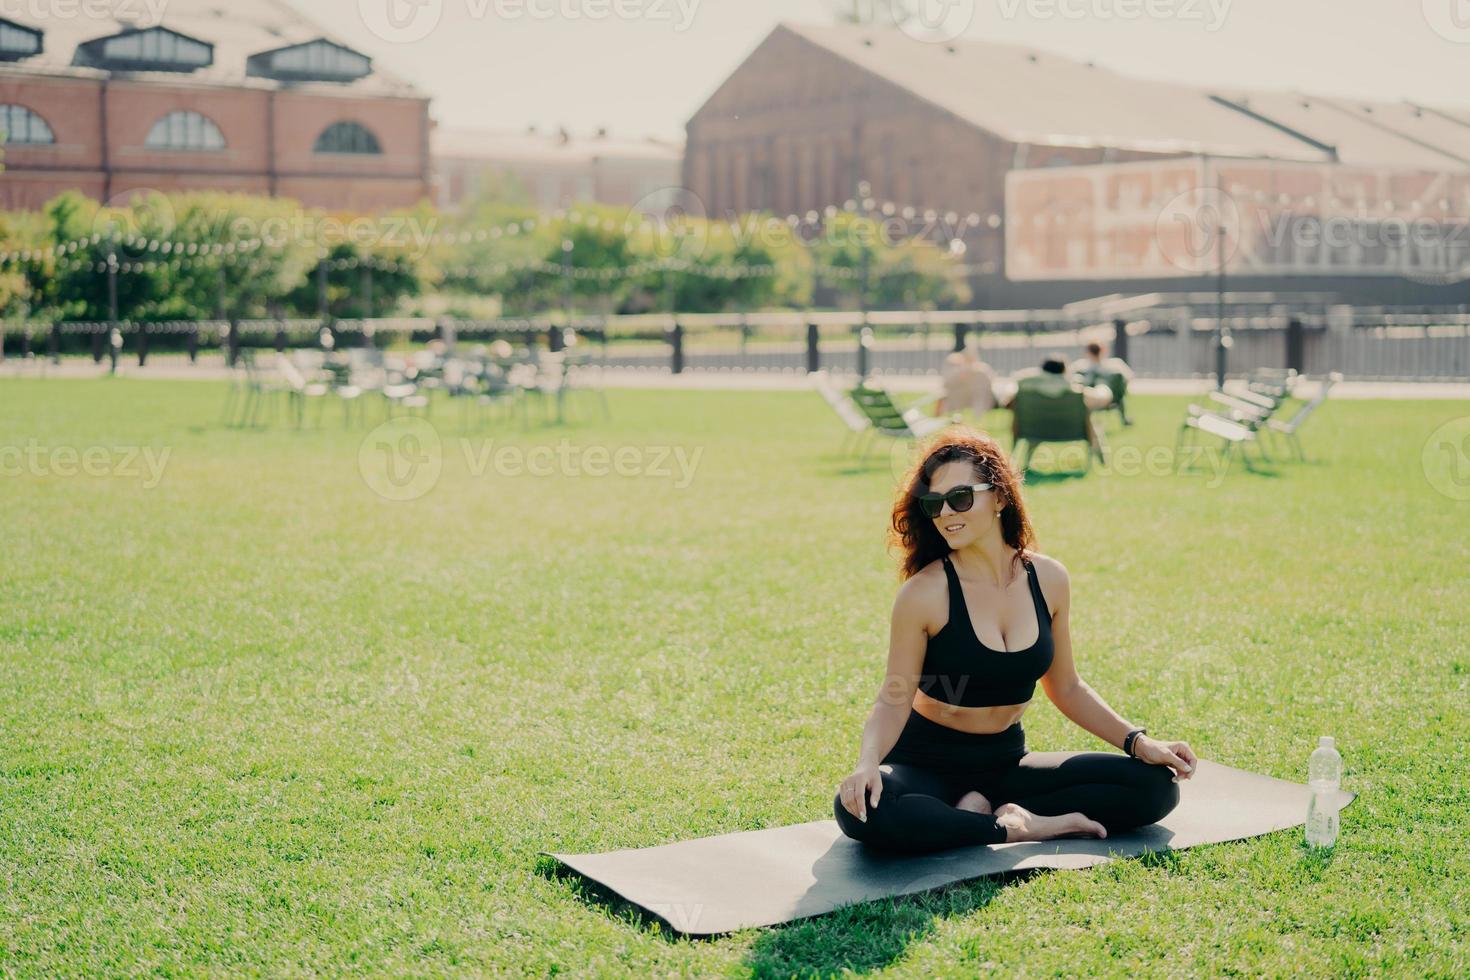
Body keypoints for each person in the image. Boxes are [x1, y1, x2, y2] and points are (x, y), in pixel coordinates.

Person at [833, 429, 1197, 853]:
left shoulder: (1049, 579)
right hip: (928, 765)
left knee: (1154, 787)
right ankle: (1015, 827)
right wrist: (867, 764)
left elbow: (1066, 687)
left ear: (1000, 497)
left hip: (1006, 762)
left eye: (961, 497)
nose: (946, 512)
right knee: (864, 809)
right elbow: (895, 696)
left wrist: (1139, 742)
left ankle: (979, 811)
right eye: (934, 503)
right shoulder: (923, 594)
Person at [936, 339, 998, 418]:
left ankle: (977, 417)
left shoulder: (981, 370)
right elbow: (946, 384)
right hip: (959, 397)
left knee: (980, 394)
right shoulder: (955, 368)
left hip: (976, 397)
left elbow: (988, 384)